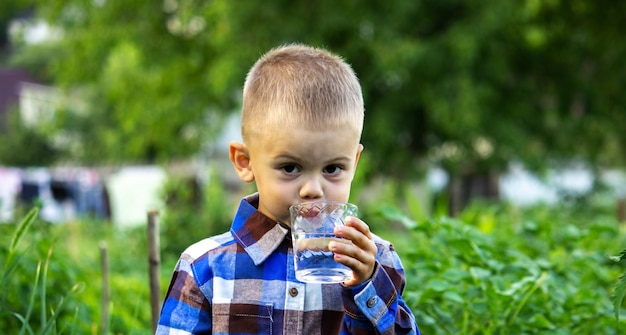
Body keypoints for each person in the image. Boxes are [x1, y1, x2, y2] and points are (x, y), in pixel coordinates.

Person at [156, 43, 420, 335]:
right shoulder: (206, 268)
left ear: (354, 163)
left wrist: (366, 286)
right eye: (290, 168)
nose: (312, 190)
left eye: (332, 169)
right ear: (245, 162)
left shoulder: (376, 262)